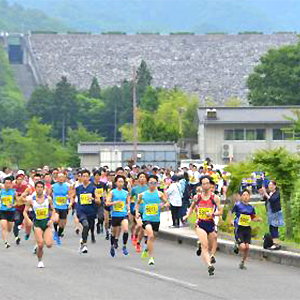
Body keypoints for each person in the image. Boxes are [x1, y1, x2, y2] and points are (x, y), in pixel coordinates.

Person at [183, 176, 220, 276]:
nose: (206, 185)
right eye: (203, 184)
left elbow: (220, 212)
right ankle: (209, 266)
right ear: (201, 185)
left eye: (207, 183)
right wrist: (187, 215)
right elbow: (191, 207)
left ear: (210, 184)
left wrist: (212, 214)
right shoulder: (197, 197)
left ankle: (211, 256)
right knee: (205, 245)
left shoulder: (215, 198)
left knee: (213, 243)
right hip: (200, 224)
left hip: (211, 224)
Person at [135, 175, 169, 265]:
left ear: (157, 184)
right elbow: (137, 204)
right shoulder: (142, 195)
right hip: (146, 219)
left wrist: (163, 205)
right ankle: (151, 257)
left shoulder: (159, 194)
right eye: (150, 183)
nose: (152, 185)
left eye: (154, 183)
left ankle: (146, 248)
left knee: (153, 237)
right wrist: (137, 212)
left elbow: (166, 202)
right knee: (150, 235)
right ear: (148, 183)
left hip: (156, 219)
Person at [23, 181, 54, 268]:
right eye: (38, 187)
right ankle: (40, 261)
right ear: (35, 188)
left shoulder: (48, 198)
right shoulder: (31, 200)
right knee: (40, 244)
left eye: (41, 187)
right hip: (37, 223)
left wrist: (51, 220)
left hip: (46, 223)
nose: (39, 189)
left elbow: (53, 210)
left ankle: (41, 240)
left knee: (49, 244)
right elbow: (24, 212)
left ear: (43, 188)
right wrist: (28, 220)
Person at [230, 189, 262, 269]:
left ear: (249, 196)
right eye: (244, 195)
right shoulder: (237, 205)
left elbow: (252, 217)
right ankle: (237, 245)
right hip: (239, 227)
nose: (245, 197)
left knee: (247, 247)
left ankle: (242, 262)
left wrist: (258, 219)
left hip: (247, 228)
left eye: (247, 195)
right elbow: (231, 212)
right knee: (243, 247)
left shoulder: (251, 207)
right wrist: (231, 220)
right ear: (241, 196)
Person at [72, 169, 101, 254]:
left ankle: (83, 239)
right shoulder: (78, 188)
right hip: (81, 210)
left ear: (89, 177)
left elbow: (98, 201)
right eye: (83, 176)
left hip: (91, 211)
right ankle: (84, 244)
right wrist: (71, 203)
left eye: (87, 176)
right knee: (85, 224)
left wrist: (93, 199)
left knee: (89, 227)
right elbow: (72, 196)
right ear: (80, 177)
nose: (85, 178)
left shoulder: (93, 188)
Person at [106, 175, 130, 257]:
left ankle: (124, 246)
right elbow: (107, 203)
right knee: (114, 232)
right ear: (116, 183)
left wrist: (128, 209)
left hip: (123, 214)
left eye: (122, 182)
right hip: (115, 215)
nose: (120, 183)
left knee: (126, 229)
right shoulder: (112, 192)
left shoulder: (126, 193)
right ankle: (112, 246)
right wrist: (114, 203)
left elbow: (127, 202)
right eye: (119, 181)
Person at [262, 181, 284, 250]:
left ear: (275, 186)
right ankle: (272, 243)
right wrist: (264, 194)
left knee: (274, 228)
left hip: (276, 213)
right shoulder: (270, 193)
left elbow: (272, 200)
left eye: (271, 185)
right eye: (269, 185)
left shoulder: (277, 193)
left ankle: (276, 244)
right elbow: (265, 199)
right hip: (270, 213)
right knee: (271, 228)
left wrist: (265, 193)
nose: (270, 187)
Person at [52, 173, 72, 245]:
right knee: (56, 219)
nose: (61, 179)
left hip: (64, 207)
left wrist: (70, 203)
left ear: (64, 178)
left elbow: (70, 195)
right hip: (56, 206)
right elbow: (48, 195)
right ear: (57, 178)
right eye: (59, 177)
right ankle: (55, 230)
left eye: (62, 177)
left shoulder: (67, 186)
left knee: (62, 225)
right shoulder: (53, 186)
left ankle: (58, 234)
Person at [130, 172, 148, 252]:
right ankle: (135, 235)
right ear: (138, 179)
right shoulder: (135, 189)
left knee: (143, 228)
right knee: (140, 225)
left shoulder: (149, 188)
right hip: (137, 210)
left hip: (147, 211)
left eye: (143, 177)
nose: (142, 178)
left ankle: (138, 243)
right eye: (140, 177)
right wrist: (129, 207)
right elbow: (129, 197)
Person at [0, 176, 17, 248]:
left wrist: (13, 205)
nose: (7, 185)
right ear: (4, 184)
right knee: (4, 226)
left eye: (9, 183)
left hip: (11, 212)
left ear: (11, 184)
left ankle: (7, 237)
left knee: (9, 228)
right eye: (6, 183)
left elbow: (17, 202)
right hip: (2, 211)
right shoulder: (1, 192)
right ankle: (6, 242)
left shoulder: (13, 192)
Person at [13, 174, 28, 245]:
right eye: (18, 179)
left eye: (21, 179)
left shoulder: (25, 187)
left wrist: (23, 198)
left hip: (24, 208)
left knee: (21, 222)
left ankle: (27, 233)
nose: (19, 180)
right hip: (16, 208)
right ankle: (16, 237)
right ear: (16, 180)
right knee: (16, 221)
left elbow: (28, 196)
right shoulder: (13, 187)